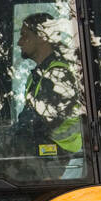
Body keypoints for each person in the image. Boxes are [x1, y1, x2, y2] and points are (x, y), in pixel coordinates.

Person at [15, 12, 84, 164]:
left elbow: (37, 123)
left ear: (43, 37)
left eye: (25, 35)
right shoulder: (40, 74)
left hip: (59, 156)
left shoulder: (59, 75)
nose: (19, 42)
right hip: (44, 151)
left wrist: (9, 135)